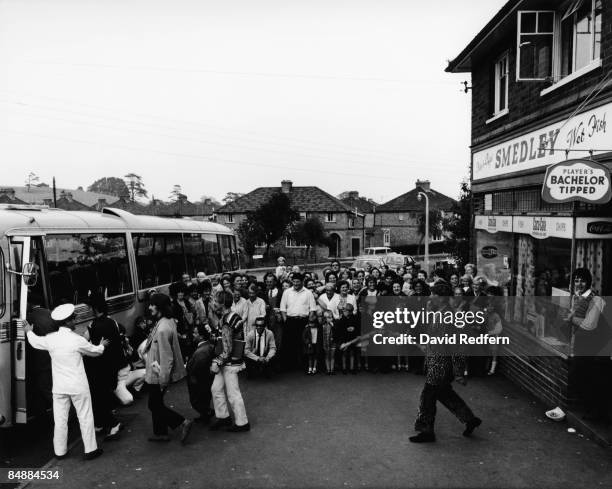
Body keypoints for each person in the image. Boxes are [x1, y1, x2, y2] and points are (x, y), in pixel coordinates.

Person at [24, 303, 106, 460]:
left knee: (60, 420)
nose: (75, 321)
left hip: (59, 388)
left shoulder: (51, 339)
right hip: (77, 386)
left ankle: (60, 451)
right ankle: (90, 450)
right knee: (85, 417)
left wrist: (28, 331)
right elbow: (94, 352)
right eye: (73, 319)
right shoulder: (76, 340)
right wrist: (101, 346)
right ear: (67, 322)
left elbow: (35, 342)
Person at [410, 282, 481, 443]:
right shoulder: (440, 313)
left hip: (441, 365)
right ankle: (469, 419)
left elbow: (458, 345)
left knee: (427, 397)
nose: (430, 296)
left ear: (441, 297)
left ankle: (426, 431)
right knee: (444, 394)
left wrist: (458, 372)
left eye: (433, 294)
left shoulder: (447, 316)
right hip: (437, 362)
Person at [563, 268, 611, 422]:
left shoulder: (597, 300)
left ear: (589, 281)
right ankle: (591, 410)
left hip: (594, 347)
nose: (579, 283)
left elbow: (590, 325)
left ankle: (596, 413)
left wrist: (571, 319)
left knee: (586, 378)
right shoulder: (577, 298)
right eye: (576, 280)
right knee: (581, 378)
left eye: (582, 280)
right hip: (580, 344)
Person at [144, 293, 193, 444]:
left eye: (152, 304)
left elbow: (167, 357)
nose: (149, 307)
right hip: (157, 371)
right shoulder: (167, 321)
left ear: (159, 307)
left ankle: (182, 422)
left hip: (158, 374)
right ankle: (160, 433)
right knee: (157, 403)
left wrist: (163, 380)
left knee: (153, 404)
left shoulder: (163, 329)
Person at [85, 292, 125, 440]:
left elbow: (85, 342)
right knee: (104, 395)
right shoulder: (111, 321)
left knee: (98, 397)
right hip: (113, 365)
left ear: (95, 308)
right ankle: (101, 423)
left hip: (99, 367)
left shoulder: (93, 325)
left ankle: (112, 424)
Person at [209, 290, 250, 432]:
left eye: (215, 301)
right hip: (229, 360)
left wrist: (217, 362)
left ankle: (242, 423)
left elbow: (227, 349)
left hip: (229, 362)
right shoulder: (232, 316)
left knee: (233, 393)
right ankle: (223, 417)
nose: (213, 303)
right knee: (216, 389)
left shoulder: (226, 321)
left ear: (221, 304)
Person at [279, 273, 317, 371]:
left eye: (298, 282)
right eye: (294, 282)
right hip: (290, 321)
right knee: (290, 344)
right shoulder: (287, 292)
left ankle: (304, 365)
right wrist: (285, 320)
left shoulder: (308, 293)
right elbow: (283, 308)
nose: (295, 284)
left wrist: (309, 323)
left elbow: (312, 309)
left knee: (304, 343)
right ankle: (291, 365)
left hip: (304, 321)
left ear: (302, 282)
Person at [186, 324, 215, 423]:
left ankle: (207, 413)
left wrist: (192, 376)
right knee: (204, 400)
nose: (193, 335)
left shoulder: (201, 351)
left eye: (195, 333)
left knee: (197, 401)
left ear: (201, 336)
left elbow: (197, 368)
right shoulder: (207, 346)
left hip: (199, 381)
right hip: (204, 380)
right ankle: (205, 414)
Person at [336, 303, 359, 374]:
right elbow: (339, 330)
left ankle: (352, 368)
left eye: (345, 310)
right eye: (344, 310)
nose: (344, 311)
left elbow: (358, 328)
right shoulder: (341, 319)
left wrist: (354, 328)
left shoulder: (355, 318)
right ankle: (344, 368)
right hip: (344, 338)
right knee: (344, 353)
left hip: (352, 338)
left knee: (352, 353)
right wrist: (346, 329)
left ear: (350, 311)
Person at [321, 310, 337, 375]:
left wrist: (332, 325)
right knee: (327, 356)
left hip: (333, 342)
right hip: (326, 342)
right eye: (327, 317)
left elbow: (336, 332)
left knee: (332, 356)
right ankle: (328, 370)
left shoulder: (334, 324)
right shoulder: (323, 325)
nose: (328, 319)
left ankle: (332, 370)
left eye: (330, 317)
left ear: (332, 318)